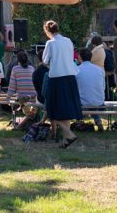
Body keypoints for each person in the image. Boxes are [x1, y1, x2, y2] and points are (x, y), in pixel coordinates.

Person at [41, 20, 81, 148]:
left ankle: (69, 134)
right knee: (66, 108)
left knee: (53, 109)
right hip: (70, 76)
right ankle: (66, 140)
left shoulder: (50, 43)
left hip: (57, 77)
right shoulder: (68, 40)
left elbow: (45, 61)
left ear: (47, 31)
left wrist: (52, 64)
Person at [76, 48, 106, 130]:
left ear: (80, 57)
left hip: (83, 102)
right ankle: (98, 121)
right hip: (99, 101)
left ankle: (79, 121)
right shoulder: (100, 70)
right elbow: (103, 87)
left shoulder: (77, 70)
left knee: (82, 97)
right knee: (91, 99)